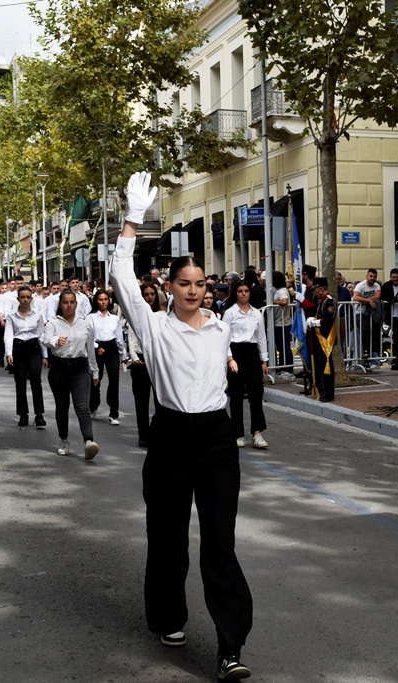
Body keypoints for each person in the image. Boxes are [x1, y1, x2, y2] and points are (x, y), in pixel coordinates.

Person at [114, 173, 253, 680]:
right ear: (168, 288)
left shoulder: (222, 328)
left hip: (216, 440)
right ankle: (169, 617)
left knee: (220, 544)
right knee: (168, 538)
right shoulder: (152, 326)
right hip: (170, 437)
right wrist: (132, 220)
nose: (194, 291)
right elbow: (121, 280)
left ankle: (230, 647)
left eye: (200, 284)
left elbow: (227, 368)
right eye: (184, 284)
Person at [42, 290, 101, 459]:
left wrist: (94, 371)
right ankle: (64, 439)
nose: (69, 305)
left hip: (79, 367)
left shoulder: (85, 324)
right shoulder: (53, 323)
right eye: (65, 302)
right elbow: (44, 340)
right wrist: (55, 340)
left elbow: (90, 350)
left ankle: (88, 442)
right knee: (62, 406)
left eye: (72, 302)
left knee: (82, 405)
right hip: (59, 367)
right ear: (60, 304)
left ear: (76, 304)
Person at [223, 280, 270, 449]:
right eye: (240, 291)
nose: (243, 294)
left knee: (256, 394)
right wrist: (230, 359)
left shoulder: (257, 313)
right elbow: (225, 339)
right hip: (236, 353)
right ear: (235, 293)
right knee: (236, 396)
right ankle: (238, 434)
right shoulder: (230, 313)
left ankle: (257, 433)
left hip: (252, 355)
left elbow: (261, 338)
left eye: (246, 291)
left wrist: (264, 360)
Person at [4, 286, 48, 429]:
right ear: (18, 299)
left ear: (31, 298)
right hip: (18, 347)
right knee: (20, 381)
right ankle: (23, 414)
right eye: (22, 297)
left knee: (36, 380)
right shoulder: (11, 315)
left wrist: (45, 355)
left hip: (33, 347)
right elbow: (9, 335)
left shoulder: (38, 314)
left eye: (28, 297)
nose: (25, 300)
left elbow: (41, 335)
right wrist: (9, 353)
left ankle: (39, 414)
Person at [128, 282, 163, 448]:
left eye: (152, 294)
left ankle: (158, 433)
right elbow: (132, 339)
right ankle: (143, 434)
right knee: (141, 402)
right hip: (141, 361)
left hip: (158, 361)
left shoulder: (162, 315)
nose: (149, 297)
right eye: (146, 294)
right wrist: (134, 357)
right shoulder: (136, 316)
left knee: (161, 401)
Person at [87, 290, 126, 425]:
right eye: (100, 299)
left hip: (112, 348)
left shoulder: (114, 318)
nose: (103, 302)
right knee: (96, 380)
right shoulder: (90, 317)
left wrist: (123, 355)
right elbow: (88, 336)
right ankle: (93, 405)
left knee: (114, 380)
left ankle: (113, 413)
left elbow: (119, 338)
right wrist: (97, 347)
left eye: (105, 299)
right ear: (96, 301)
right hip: (98, 347)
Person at [305, 277, 337, 402]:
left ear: (321, 289)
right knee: (320, 365)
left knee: (326, 365)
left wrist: (316, 322)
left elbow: (328, 318)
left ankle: (328, 392)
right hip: (320, 338)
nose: (314, 292)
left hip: (326, 338)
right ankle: (323, 389)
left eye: (316, 289)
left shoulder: (329, 301)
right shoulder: (321, 301)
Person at [353, 268, 382, 368]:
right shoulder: (360, 285)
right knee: (365, 328)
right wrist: (369, 301)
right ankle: (366, 352)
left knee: (374, 332)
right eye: (371, 276)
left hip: (371, 314)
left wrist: (365, 299)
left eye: (374, 277)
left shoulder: (377, 285)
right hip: (359, 313)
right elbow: (355, 297)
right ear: (366, 277)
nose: (372, 278)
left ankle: (370, 357)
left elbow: (378, 296)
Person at [271, 271, 295, 381]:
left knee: (284, 347)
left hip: (282, 323)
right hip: (281, 322)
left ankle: (288, 370)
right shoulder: (282, 290)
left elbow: (285, 301)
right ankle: (283, 368)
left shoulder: (281, 291)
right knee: (282, 347)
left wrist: (273, 302)